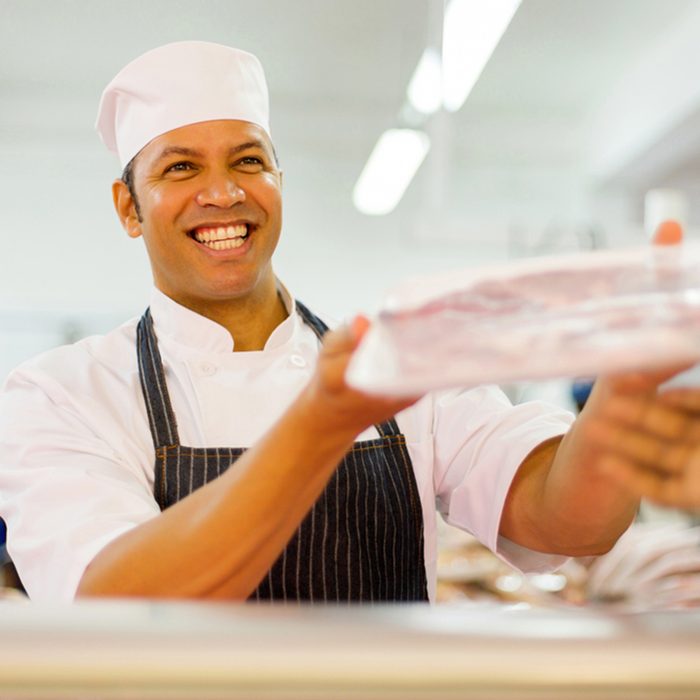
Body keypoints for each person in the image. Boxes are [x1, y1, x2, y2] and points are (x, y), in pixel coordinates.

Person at [0, 41, 697, 603]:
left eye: (249, 159)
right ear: (129, 207)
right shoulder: (60, 394)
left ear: (278, 180)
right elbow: (118, 600)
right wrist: (321, 425)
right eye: (180, 168)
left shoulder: (398, 364)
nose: (223, 191)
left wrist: (623, 390)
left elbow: (568, 523)